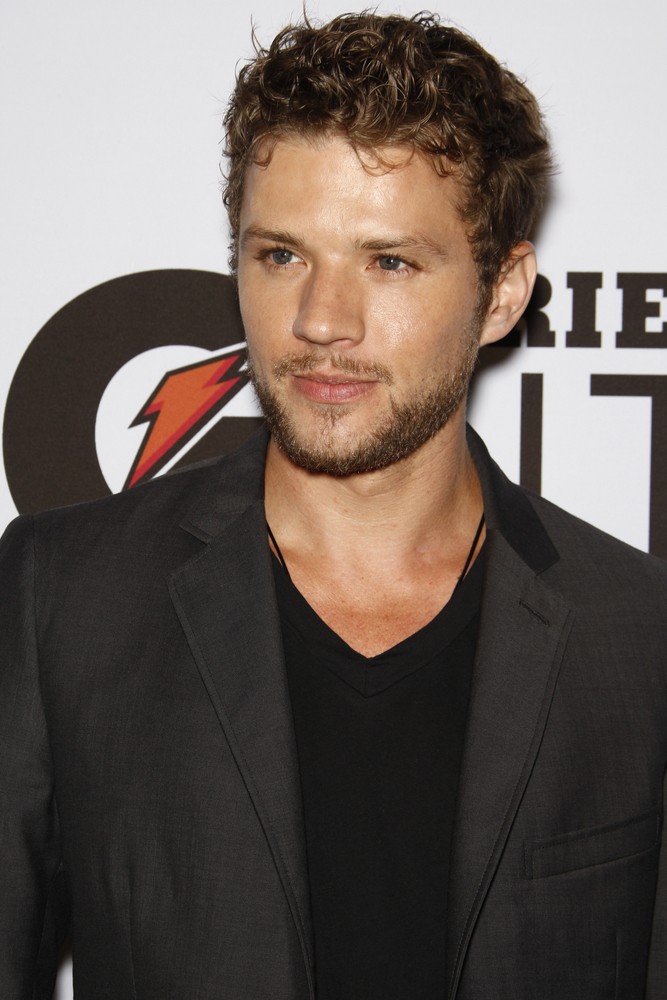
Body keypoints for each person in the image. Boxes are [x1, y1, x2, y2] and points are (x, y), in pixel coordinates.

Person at [1, 11, 666, 999]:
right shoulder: (66, 596)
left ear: (500, 293)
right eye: (281, 255)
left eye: (388, 261)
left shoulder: (638, 632)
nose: (319, 321)